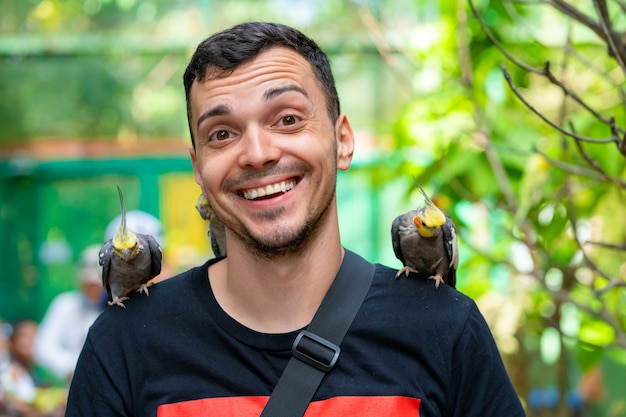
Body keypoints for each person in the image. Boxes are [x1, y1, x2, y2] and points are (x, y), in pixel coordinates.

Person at [65, 22, 526, 416]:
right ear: (198, 169)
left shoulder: (445, 328)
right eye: (222, 134)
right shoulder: (124, 344)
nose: (259, 154)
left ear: (342, 141)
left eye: (287, 119)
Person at [34, 245, 106, 384]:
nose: (91, 288)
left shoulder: (116, 309)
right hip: (70, 388)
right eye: (87, 283)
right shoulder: (65, 305)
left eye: (95, 284)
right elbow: (43, 347)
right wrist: (71, 368)